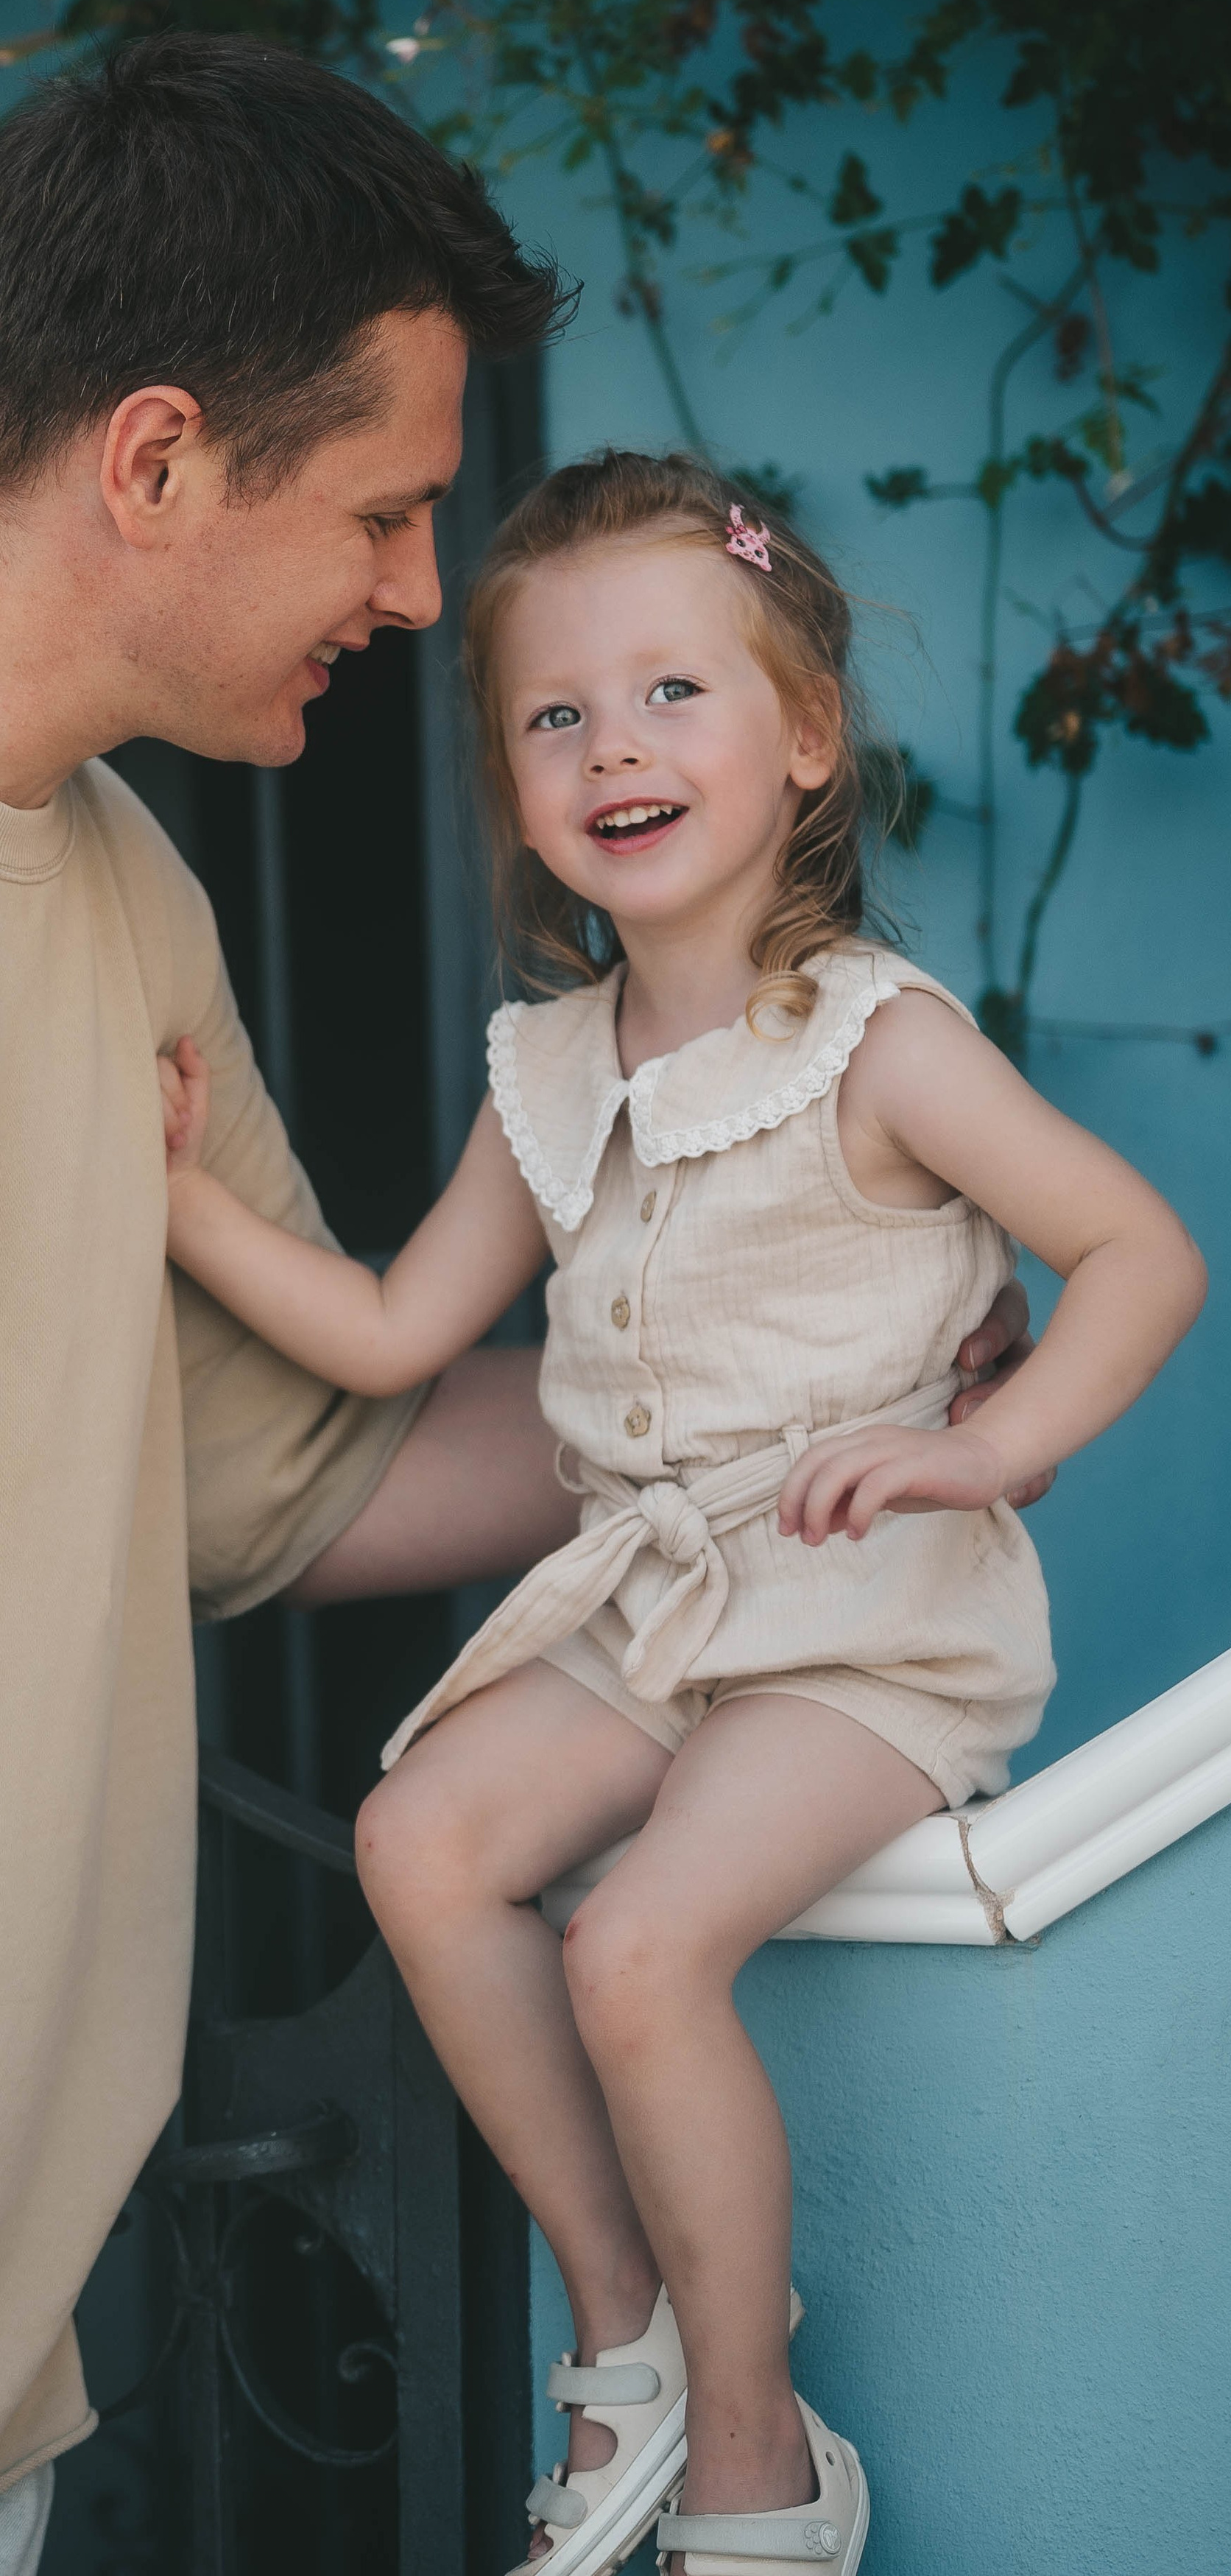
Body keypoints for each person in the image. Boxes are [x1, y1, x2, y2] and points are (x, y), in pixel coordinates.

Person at [0, 43, 1040, 2576]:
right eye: (377, 511)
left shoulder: (129, 881)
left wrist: (838, 1363)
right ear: (154, 463)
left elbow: (280, 1470)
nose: (407, 589)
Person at [157, 448, 1205, 2576]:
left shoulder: (882, 1045)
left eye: (671, 695)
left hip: (865, 1619)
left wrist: (990, 1453)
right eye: (557, 716)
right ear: (517, 786)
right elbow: (385, 1331)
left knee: (639, 1943)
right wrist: (168, 1196)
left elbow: (1145, 1256)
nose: (613, 745)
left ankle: (756, 2443)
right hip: (657, 1609)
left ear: (802, 738)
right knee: (419, 1839)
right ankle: (626, 2332)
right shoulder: (546, 1071)